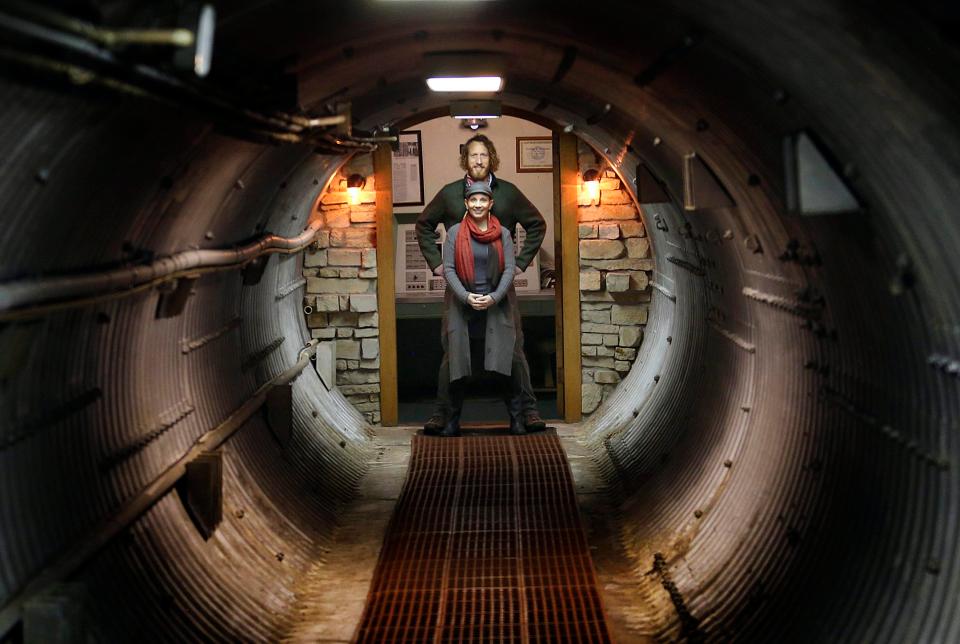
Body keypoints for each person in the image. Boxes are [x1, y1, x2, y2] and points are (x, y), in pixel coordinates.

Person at [416, 134, 547, 434]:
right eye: (473, 155)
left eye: (484, 155)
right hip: (459, 286)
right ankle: (443, 414)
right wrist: (437, 263)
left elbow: (537, 224)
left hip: (501, 285)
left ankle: (527, 412)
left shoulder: (508, 194)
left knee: (513, 349)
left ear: (491, 159)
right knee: (453, 351)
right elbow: (423, 225)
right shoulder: (450, 194)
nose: (478, 160)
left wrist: (520, 264)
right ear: (465, 159)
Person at [438, 181, 521, 436]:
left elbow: (509, 269)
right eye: (473, 200)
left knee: (507, 361)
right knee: (458, 364)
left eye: (482, 200)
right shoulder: (454, 233)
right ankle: (452, 421)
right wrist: (465, 297)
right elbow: (448, 269)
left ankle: (516, 419)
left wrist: (495, 297)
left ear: (490, 203)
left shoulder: (504, 233)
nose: (477, 204)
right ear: (466, 203)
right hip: (463, 307)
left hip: (496, 305)